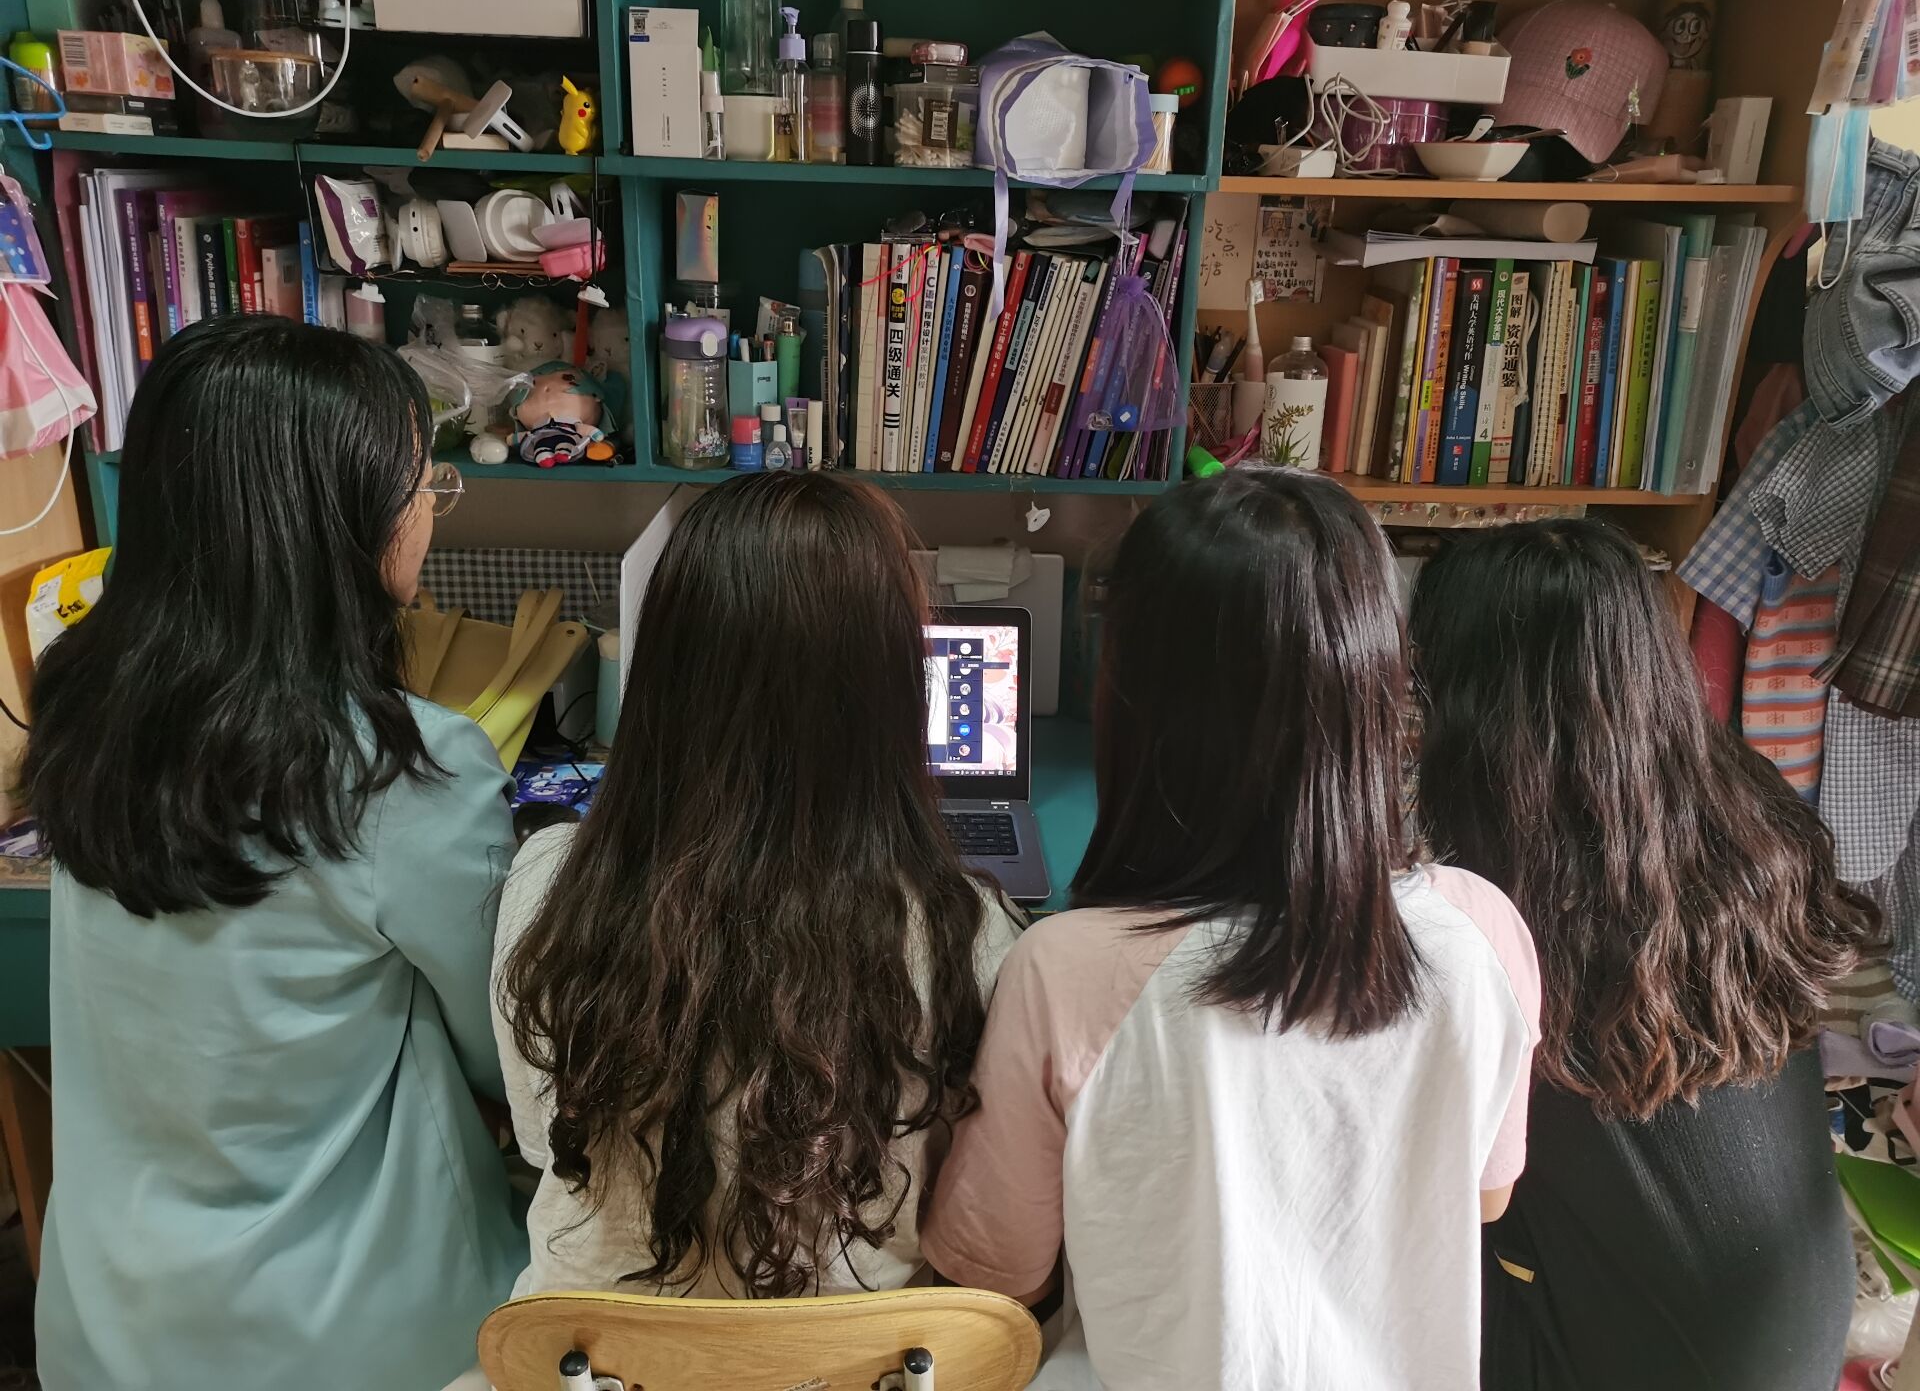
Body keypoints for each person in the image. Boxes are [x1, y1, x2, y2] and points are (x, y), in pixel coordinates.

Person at [921, 466, 1541, 1390]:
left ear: (1133, 696)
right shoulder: (1482, 926)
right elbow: (1486, 1197)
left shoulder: (1065, 970)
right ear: (1376, 678)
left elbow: (998, 1272)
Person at [25, 317, 518, 1391]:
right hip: (352, 1338)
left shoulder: (83, 705)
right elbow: (507, 1054)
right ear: (334, 522)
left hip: (107, 1320)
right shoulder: (409, 771)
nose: (428, 510)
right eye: (420, 486)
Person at [496, 472, 1021, 1298]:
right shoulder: (970, 933)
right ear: (890, 691)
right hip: (853, 1355)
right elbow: (961, 1198)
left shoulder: (546, 887)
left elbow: (541, 1145)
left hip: (595, 1349)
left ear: (663, 668)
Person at [1408, 518, 1875, 1391]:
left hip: (1630, 1360)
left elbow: (1459, 1183)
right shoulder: (1749, 816)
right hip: (1796, 1326)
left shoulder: (1504, 898)